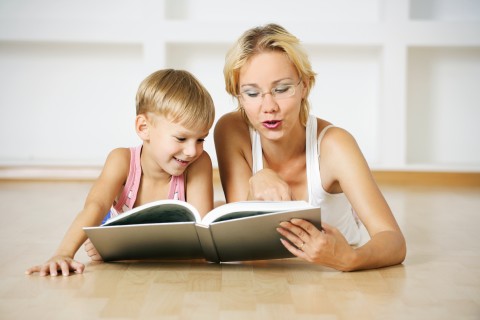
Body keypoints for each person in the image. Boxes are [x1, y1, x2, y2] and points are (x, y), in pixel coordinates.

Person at [214, 23, 406, 271]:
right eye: (252, 93)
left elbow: (394, 240)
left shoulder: (335, 144)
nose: (269, 106)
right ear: (238, 96)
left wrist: (349, 259)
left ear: (305, 86)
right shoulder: (231, 131)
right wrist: (257, 181)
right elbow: (241, 239)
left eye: (282, 89)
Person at [26, 69, 216, 276]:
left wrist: (119, 250)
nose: (192, 151)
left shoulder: (199, 163)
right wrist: (63, 253)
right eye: (181, 139)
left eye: (200, 139)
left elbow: (200, 240)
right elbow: (95, 206)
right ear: (143, 128)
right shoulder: (121, 160)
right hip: (122, 232)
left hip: (131, 247)